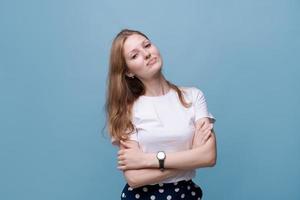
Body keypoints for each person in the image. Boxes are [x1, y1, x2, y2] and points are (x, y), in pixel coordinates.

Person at [105, 29, 217, 200]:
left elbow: (209, 156)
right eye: (134, 56)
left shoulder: (193, 97)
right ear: (128, 72)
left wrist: (145, 160)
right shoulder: (127, 110)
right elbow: (134, 178)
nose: (146, 54)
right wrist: (192, 158)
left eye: (147, 45)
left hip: (186, 195)